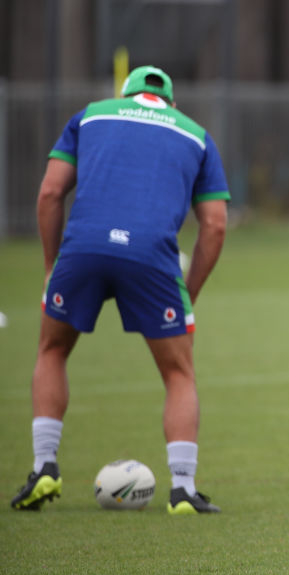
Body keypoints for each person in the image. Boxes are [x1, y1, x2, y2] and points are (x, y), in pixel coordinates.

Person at [10, 66, 229, 514]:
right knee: (178, 373)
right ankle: (183, 488)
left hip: (84, 247)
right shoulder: (196, 135)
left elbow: (51, 194)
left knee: (52, 349)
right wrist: (188, 291)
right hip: (151, 258)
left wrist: (52, 266)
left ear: (125, 94)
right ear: (169, 102)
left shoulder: (90, 115)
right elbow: (216, 224)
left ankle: (44, 466)